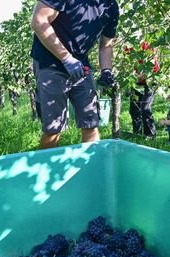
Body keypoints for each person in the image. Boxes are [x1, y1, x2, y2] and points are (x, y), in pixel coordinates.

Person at [30, 0, 119, 149]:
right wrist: (66, 58)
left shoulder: (110, 6)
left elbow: (106, 45)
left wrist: (107, 70)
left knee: (90, 122)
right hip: (49, 62)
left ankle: (90, 166)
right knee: (54, 128)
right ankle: (46, 169)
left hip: (80, 66)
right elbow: (39, 21)